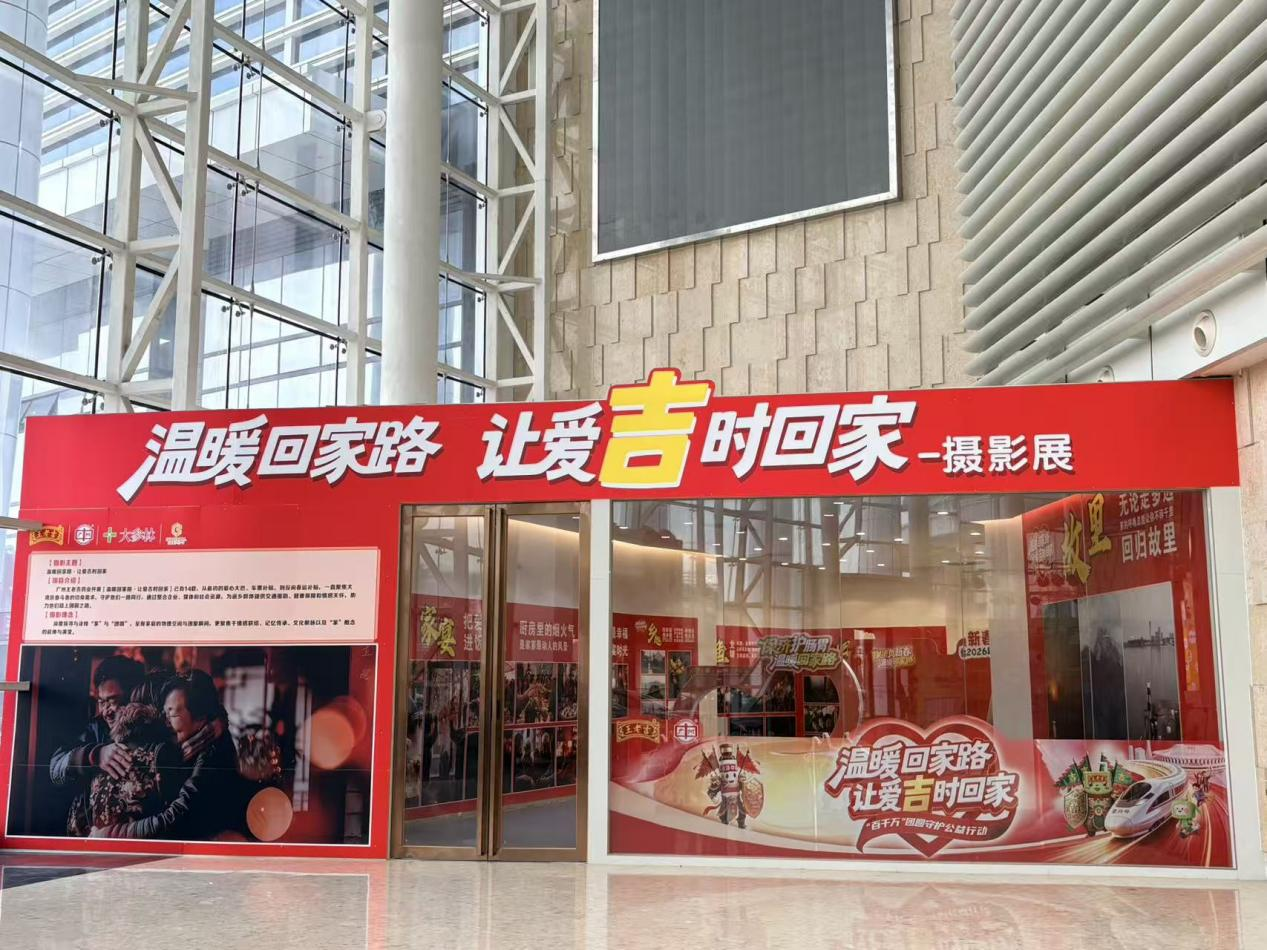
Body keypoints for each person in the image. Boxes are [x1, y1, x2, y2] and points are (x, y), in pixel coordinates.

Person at [98, 671, 244, 841]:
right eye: (164, 714)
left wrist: (111, 834)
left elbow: (178, 816)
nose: (166, 723)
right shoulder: (175, 748)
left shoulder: (208, 749)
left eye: (171, 714)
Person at [70, 701, 180, 837]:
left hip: (97, 842)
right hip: (142, 842)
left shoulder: (104, 759)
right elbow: (176, 818)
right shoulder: (161, 753)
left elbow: (75, 821)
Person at [51, 655, 146, 795]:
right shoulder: (96, 728)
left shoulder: (149, 727)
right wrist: (96, 755)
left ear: (132, 696)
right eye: (101, 702)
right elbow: (55, 767)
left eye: (112, 701)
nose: (106, 712)